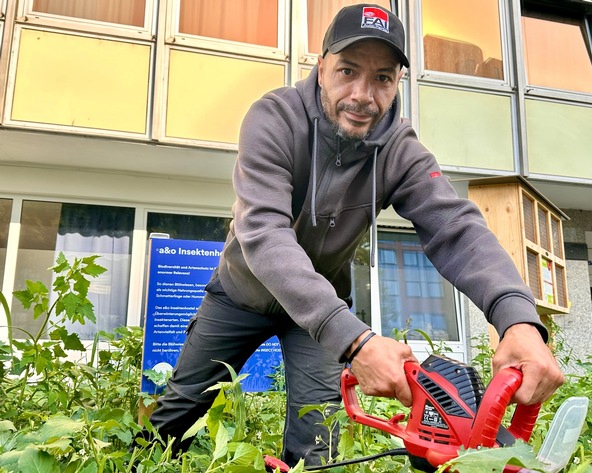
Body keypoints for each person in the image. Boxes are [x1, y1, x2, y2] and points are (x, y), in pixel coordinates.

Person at [143, 3, 564, 467]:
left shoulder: (400, 151)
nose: (363, 94)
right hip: (240, 297)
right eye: (348, 70)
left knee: (317, 439)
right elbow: (263, 234)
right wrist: (357, 342)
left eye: (382, 78)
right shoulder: (274, 120)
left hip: (320, 310)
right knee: (178, 413)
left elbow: (456, 228)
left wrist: (519, 319)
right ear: (321, 67)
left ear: (397, 83)